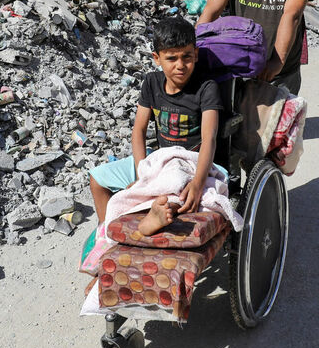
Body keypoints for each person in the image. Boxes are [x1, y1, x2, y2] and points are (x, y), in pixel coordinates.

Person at [88, 17, 223, 235]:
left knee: (178, 186)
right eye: (172, 58)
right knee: (97, 179)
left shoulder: (206, 88)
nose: (180, 65)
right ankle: (106, 233)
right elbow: (139, 131)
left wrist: (198, 183)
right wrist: (142, 176)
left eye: (187, 57)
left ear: (195, 55)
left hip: (188, 162)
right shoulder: (151, 83)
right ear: (157, 58)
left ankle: (156, 215)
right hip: (157, 160)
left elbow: (209, 139)